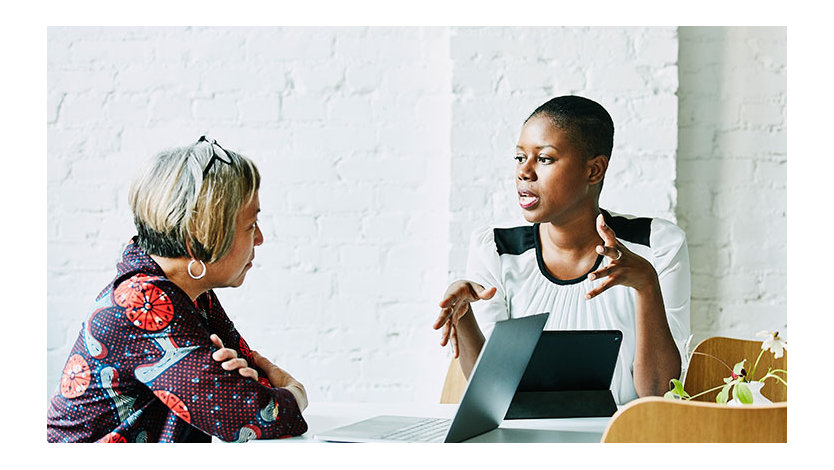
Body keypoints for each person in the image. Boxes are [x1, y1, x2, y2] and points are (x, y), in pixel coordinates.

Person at [47, 136, 308, 442]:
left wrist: (251, 392)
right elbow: (252, 417)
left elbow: (252, 382)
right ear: (203, 235)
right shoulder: (143, 303)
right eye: (251, 225)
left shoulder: (187, 294)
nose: (260, 238)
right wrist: (295, 393)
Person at [433, 96, 690, 404]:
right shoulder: (497, 251)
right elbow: (494, 396)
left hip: (621, 439)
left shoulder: (656, 245)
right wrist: (464, 318)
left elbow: (660, 392)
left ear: (594, 171)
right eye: (519, 158)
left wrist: (647, 284)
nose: (524, 173)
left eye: (544, 159)